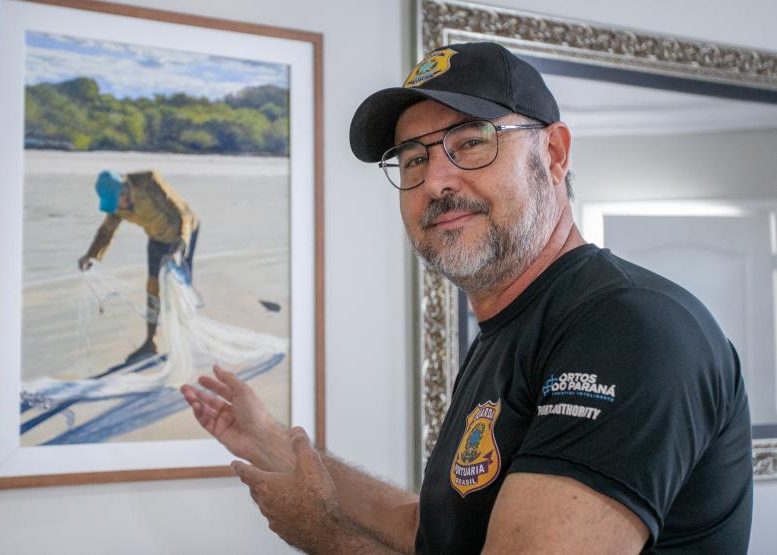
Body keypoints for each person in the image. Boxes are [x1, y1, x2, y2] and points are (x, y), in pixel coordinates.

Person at [181, 42, 753, 554]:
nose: (435, 180)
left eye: (471, 142)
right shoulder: (508, 333)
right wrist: (273, 441)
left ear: (553, 153)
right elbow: (428, 530)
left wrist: (322, 534)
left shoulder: (629, 329)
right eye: (412, 159)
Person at [79, 169, 199, 363]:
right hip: (156, 237)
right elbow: (106, 231)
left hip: (183, 233)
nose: (118, 209)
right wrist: (90, 255)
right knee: (152, 287)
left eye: (117, 202)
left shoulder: (148, 183)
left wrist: (180, 245)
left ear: (124, 191)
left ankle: (184, 337)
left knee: (179, 287)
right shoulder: (117, 207)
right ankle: (150, 342)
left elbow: (182, 215)